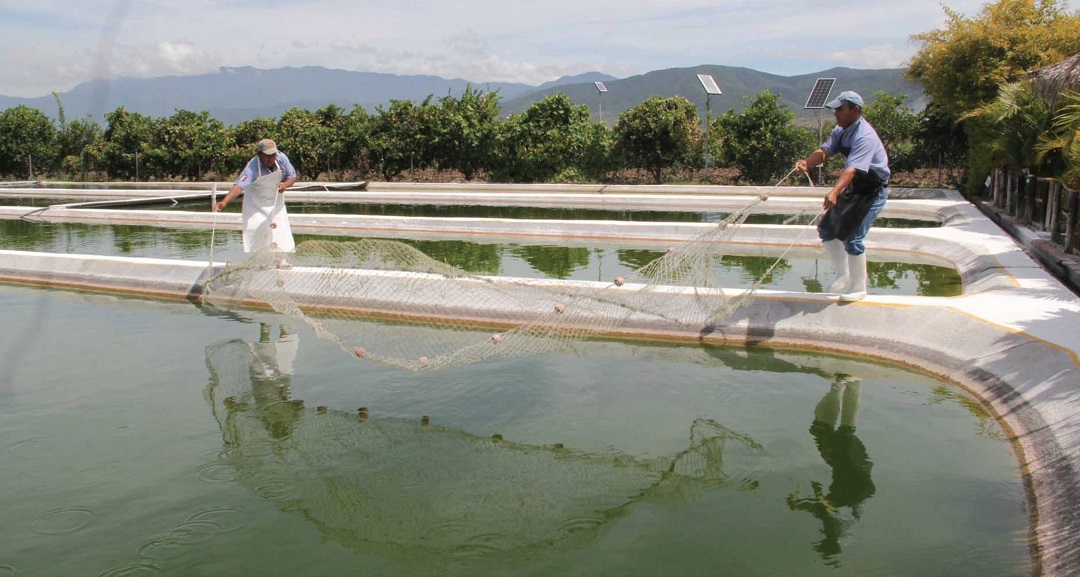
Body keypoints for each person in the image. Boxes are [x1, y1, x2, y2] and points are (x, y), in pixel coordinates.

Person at [795, 91, 890, 302]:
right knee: (826, 230)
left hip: (873, 190)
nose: (836, 113)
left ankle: (858, 287)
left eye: (840, 109)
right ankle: (843, 275)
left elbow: (852, 169)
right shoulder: (841, 130)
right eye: (835, 109)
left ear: (855, 111)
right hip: (855, 187)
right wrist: (806, 163)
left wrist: (835, 192)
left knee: (854, 237)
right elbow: (824, 151)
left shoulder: (864, 135)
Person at [786, 374, 875, 565]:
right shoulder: (846, 522)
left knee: (832, 430)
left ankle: (849, 384)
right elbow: (865, 492)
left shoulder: (835, 523)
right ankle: (846, 384)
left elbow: (820, 510)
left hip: (847, 467)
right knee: (834, 431)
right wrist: (831, 503)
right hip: (854, 468)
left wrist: (800, 505)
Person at [214, 138, 298, 258]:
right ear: (259, 154)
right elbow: (239, 187)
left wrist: (284, 185)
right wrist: (224, 202)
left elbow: (292, 177)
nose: (270, 159)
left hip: (275, 199)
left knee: (280, 230)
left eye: (272, 155)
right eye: (267, 156)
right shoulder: (252, 167)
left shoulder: (281, 158)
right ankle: (259, 260)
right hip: (256, 202)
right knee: (257, 230)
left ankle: (281, 260)